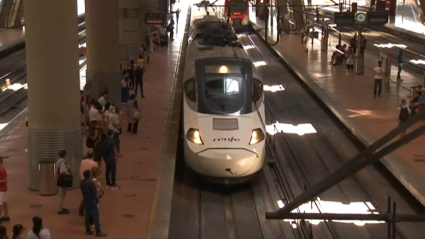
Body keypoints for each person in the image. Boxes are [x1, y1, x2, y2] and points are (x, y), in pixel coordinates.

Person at [80, 170, 107, 237]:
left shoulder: (82, 182)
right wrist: (98, 200)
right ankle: (98, 231)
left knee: (87, 216)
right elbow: (95, 193)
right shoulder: (90, 183)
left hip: (86, 200)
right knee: (96, 216)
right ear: (89, 175)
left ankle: (88, 230)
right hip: (92, 200)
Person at [78, 151, 98, 216]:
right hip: (89, 181)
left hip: (82, 180)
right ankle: (88, 210)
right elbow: (95, 172)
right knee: (90, 196)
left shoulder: (82, 161)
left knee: (85, 196)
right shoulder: (94, 163)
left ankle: (82, 209)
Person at [56, 150, 70, 215]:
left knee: (62, 195)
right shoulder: (62, 163)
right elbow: (62, 171)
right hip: (62, 180)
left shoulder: (58, 161)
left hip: (59, 179)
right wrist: (67, 168)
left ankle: (61, 207)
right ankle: (60, 209)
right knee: (61, 195)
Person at [0, 157, 9, 223]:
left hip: (1, 190)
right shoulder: (2, 170)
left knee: (0, 204)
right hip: (4, 189)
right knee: (5, 202)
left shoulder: (2, 171)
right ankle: (6, 215)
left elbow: (5, 180)